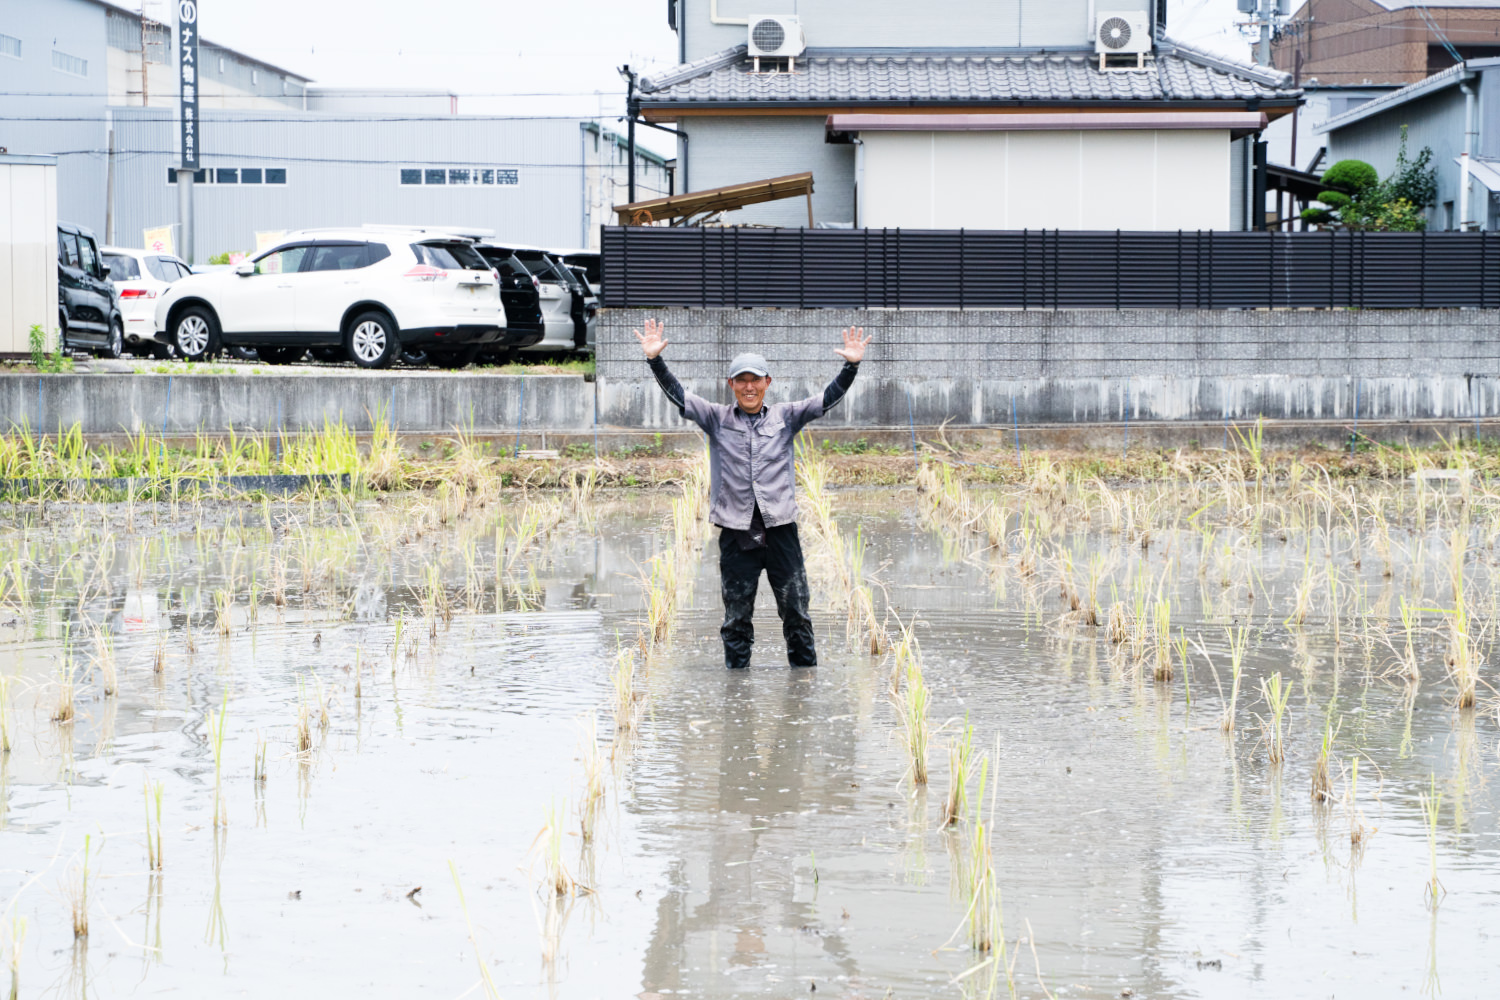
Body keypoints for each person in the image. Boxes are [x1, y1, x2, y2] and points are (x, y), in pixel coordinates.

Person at [635, 318, 872, 670]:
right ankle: (737, 688)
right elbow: (680, 396)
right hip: (736, 532)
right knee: (736, 620)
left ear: (767, 383)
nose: (749, 387)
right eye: (741, 380)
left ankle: (803, 685)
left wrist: (850, 367)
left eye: (755, 380)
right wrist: (655, 361)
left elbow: (824, 401)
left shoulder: (786, 417)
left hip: (781, 532)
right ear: (731, 384)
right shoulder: (716, 419)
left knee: (796, 614)